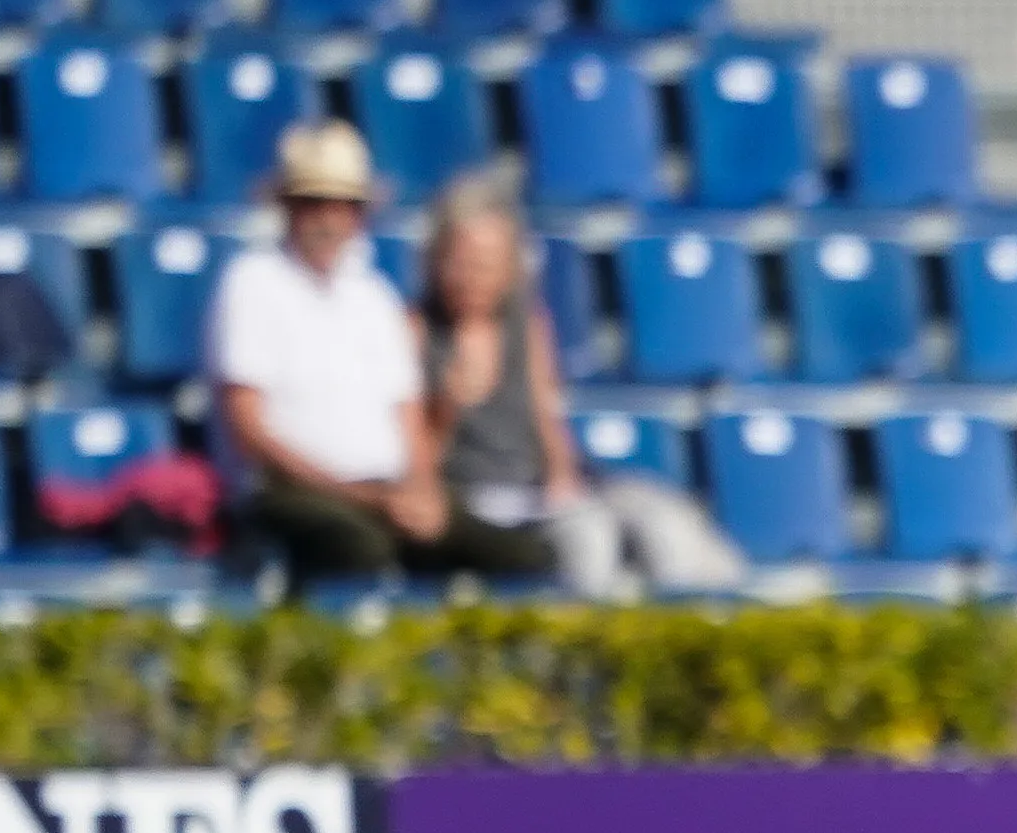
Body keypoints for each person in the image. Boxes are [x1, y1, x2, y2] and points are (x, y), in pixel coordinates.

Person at [210, 122, 547, 585]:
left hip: (384, 491)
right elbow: (249, 428)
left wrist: (422, 489)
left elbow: (407, 415)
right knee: (361, 548)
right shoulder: (252, 284)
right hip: (292, 492)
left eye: (345, 204)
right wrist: (357, 494)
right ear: (288, 207)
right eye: (315, 202)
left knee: (525, 559)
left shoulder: (374, 297)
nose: (330, 219)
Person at [418, 178, 744, 597]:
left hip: (544, 491)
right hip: (478, 500)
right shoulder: (417, 331)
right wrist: (449, 403)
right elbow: (416, 458)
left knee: (665, 524)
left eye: (486, 262)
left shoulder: (525, 324)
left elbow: (545, 415)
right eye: (462, 261)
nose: (471, 276)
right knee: (590, 538)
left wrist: (561, 477)